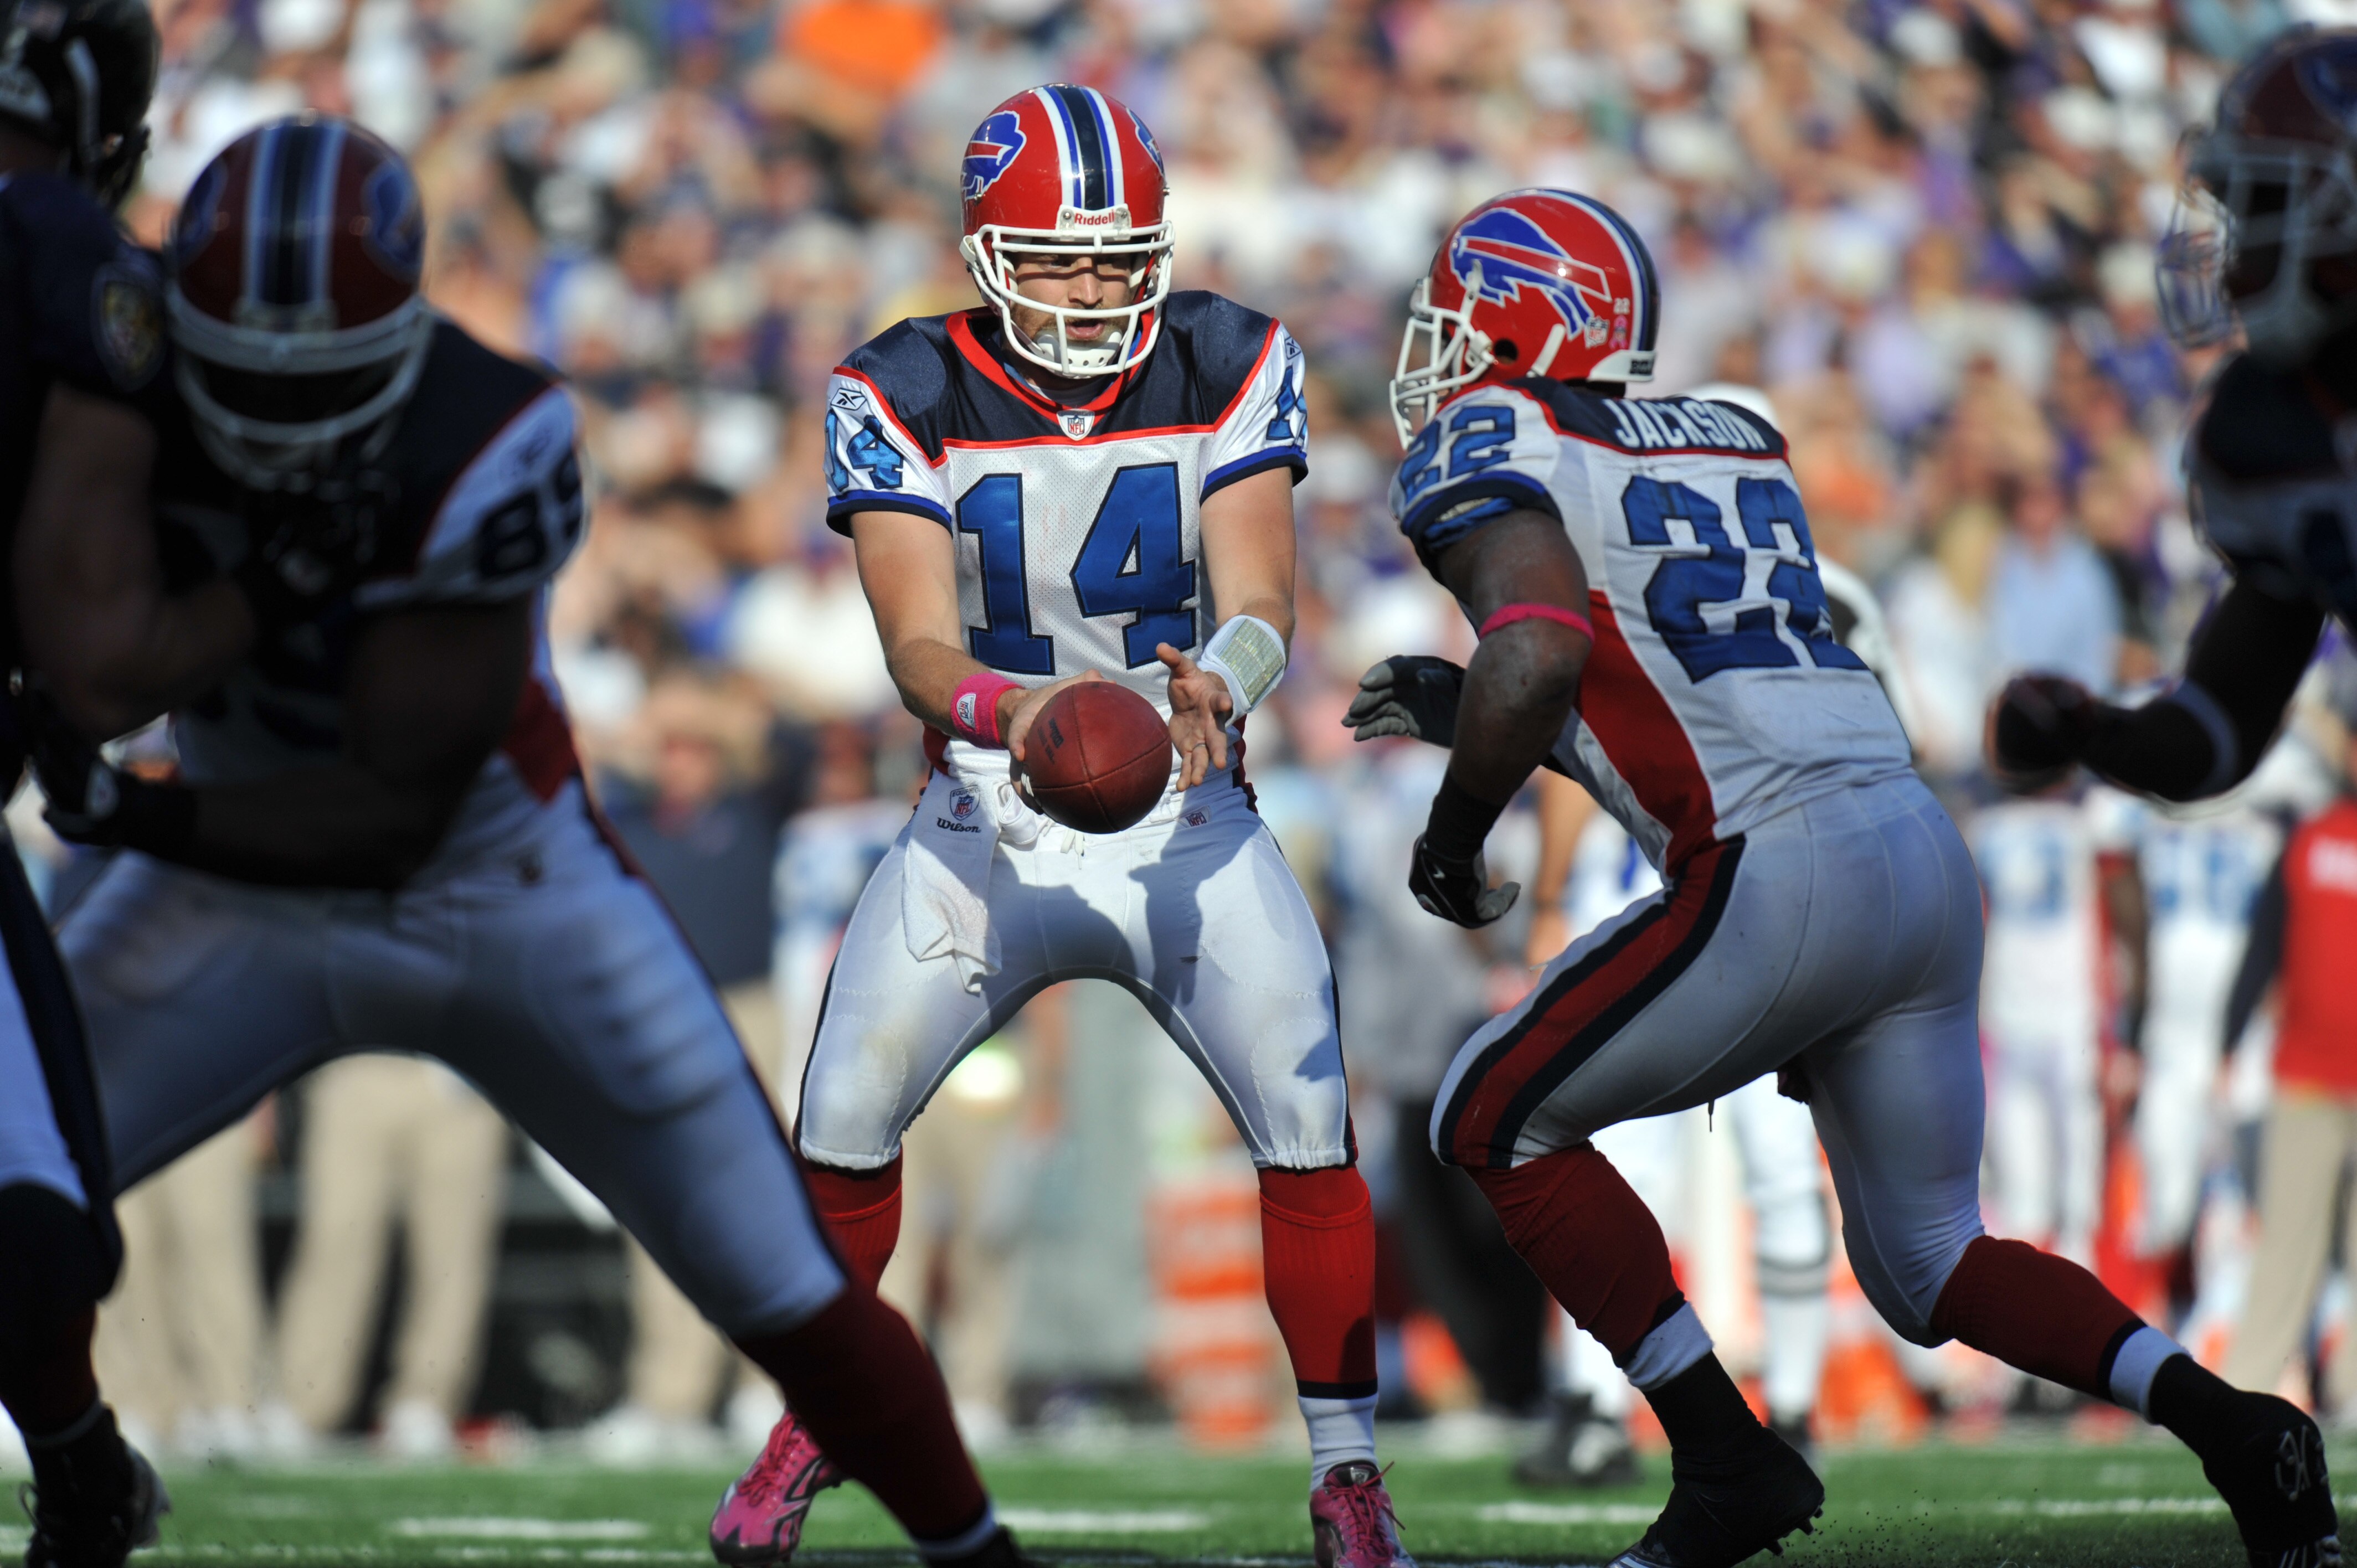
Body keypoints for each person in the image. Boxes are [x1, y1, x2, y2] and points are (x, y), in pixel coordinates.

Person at [24, 116, 1026, 1568]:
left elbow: (391, 810)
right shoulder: (115, 378)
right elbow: (94, 661)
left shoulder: (489, 432)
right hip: (228, 874)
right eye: (242, 381)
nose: (276, 426)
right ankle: (80, 1474)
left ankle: (979, 1552)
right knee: (15, 1191)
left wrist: (129, 809)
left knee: (786, 1288)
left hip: (497, 883)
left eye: (323, 390)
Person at [1350, 187, 2337, 1568]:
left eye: (1457, 320)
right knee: (1932, 1261)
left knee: (1489, 1113)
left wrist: (1454, 837)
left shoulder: (1491, 435)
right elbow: (1684, 695)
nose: (1437, 352)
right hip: (1917, 856)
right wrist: (1485, 706)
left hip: (1776, 867)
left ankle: (1724, 1455)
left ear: (1529, 321)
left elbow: (1541, 652)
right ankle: (2240, 1430)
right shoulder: (1736, 436)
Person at [724, 84, 1410, 1568]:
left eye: (1119, 258)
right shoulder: (900, 383)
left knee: (1309, 1125)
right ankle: (821, 1414)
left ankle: (1348, 1477)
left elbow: (1265, 602)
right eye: (1057, 258)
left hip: (1188, 805)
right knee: (839, 1120)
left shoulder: (1227, 353)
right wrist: (1013, 715)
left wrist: (1217, 682)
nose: (1096, 290)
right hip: (989, 815)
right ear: (984, 249)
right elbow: (914, 645)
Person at [0, 3, 270, 1562]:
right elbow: (101, 661)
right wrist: (264, 590)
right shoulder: (62, 250)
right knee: (37, 1218)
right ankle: (80, 1460)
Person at [2215, 743, 2357, 1415]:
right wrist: (2227, 1038)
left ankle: (2351, 1392)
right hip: (2306, 1079)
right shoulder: (2308, 838)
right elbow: (2262, 945)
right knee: (2285, 1248)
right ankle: (2244, 1392)